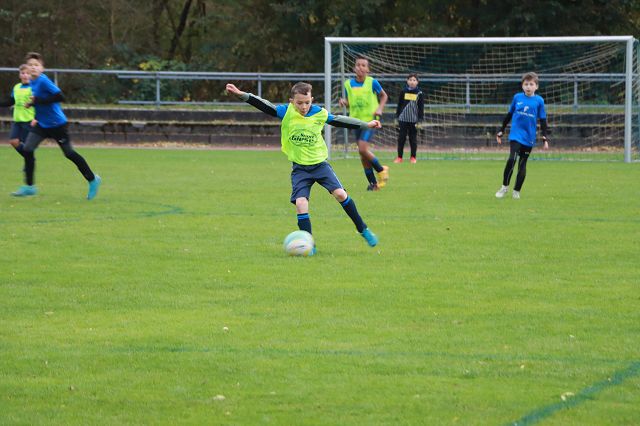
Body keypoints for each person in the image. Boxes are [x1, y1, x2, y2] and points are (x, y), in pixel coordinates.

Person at [225, 81, 380, 252]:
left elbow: (339, 120)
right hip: (300, 169)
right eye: (299, 103)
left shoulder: (319, 113)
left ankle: (363, 229)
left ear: (311, 100)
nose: (304, 107)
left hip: (320, 165)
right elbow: (264, 105)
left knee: (341, 194)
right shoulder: (286, 111)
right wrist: (241, 94)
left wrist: (366, 124)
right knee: (300, 204)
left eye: (307, 102)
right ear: (292, 101)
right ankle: (309, 244)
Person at [12, 52, 101, 199]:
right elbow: (40, 101)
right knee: (27, 149)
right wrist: (33, 107)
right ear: (27, 67)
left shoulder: (43, 81)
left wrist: (37, 101)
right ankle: (30, 187)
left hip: (57, 124)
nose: (33, 67)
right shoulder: (32, 82)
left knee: (69, 154)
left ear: (42, 68)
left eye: (36, 65)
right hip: (42, 124)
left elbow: (60, 96)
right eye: (31, 65)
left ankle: (93, 179)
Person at [338, 56, 389, 191]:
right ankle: (373, 184)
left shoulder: (372, 82)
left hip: (370, 121)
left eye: (363, 65)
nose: (360, 67)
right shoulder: (348, 84)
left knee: (362, 149)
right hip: (356, 122)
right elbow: (350, 101)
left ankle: (381, 170)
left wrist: (380, 108)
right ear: (354, 68)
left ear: (368, 69)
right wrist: (344, 102)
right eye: (358, 65)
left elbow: (384, 95)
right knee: (363, 155)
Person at [495, 72, 549, 200]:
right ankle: (504, 187)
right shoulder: (517, 97)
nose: (528, 87)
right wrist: (501, 130)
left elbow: (543, 120)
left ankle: (516, 191)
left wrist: (545, 137)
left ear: (536, 86)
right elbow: (509, 114)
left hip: (529, 137)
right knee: (512, 159)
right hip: (516, 134)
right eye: (526, 84)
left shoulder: (539, 101)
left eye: (531, 84)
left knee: (522, 164)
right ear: (522, 86)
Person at [0, 64, 34, 160]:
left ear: (31, 75)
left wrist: (37, 118)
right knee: (13, 141)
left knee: (27, 145)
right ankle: (29, 159)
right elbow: (11, 101)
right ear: (19, 75)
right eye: (23, 73)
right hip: (17, 120)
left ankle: (29, 161)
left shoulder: (34, 88)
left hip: (29, 120)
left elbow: (38, 103)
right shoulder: (17, 87)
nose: (25, 75)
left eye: (28, 73)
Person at [394, 73, 424, 164]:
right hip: (403, 119)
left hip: (413, 120)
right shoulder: (403, 91)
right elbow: (399, 105)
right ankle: (399, 157)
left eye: (414, 80)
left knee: (413, 139)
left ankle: (413, 157)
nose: (412, 82)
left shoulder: (419, 93)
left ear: (417, 82)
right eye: (410, 80)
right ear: (407, 81)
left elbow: (421, 107)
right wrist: (396, 117)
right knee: (401, 138)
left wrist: (420, 120)